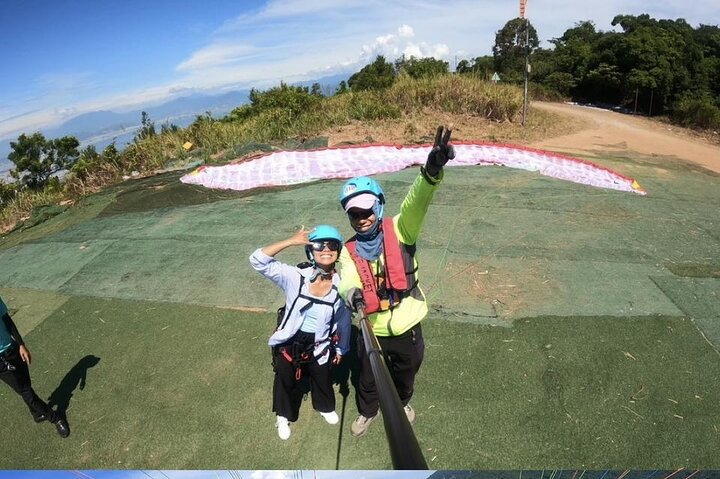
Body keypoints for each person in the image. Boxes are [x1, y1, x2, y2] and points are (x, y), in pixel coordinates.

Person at [337, 125, 455, 438]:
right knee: (367, 376)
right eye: (354, 214)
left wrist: (430, 172)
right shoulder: (348, 251)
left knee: (406, 371)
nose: (361, 218)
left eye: (366, 210)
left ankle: (402, 402)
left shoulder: (402, 229)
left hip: (407, 324)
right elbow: (347, 277)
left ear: (378, 206)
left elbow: (416, 202)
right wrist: (353, 294)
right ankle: (367, 412)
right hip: (371, 326)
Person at [249, 225, 351, 440]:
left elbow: (343, 320)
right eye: (318, 245)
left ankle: (324, 406)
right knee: (285, 377)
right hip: (290, 339)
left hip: (320, 342)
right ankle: (283, 415)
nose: (325, 249)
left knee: (321, 375)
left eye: (332, 245)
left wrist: (342, 347)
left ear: (338, 250)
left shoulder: (342, 286)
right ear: (310, 251)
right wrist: (291, 241)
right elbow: (257, 260)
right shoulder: (295, 276)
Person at [0, 295, 70, 438]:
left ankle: (36, 413)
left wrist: (21, 344)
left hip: (13, 350)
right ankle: (55, 418)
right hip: (1, 363)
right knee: (26, 391)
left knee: (26, 385)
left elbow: (6, 320)